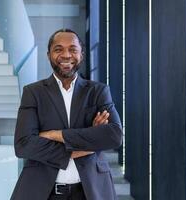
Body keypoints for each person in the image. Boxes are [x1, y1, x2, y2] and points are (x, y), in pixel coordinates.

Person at [11, 29, 123, 200]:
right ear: (48, 55)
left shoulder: (98, 91)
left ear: (81, 54)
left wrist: (57, 135)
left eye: (73, 49)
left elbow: (114, 136)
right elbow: (23, 144)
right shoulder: (33, 93)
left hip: (91, 191)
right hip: (44, 192)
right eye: (58, 49)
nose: (66, 55)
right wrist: (88, 142)